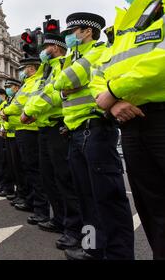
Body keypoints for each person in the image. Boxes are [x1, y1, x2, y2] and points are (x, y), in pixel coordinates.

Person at [92, 0, 165, 260]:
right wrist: (113, 103)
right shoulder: (123, 26)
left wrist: (114, 91)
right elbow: (101, 72)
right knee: (152, 209)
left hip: (161, 116)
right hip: (130, 123)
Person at [54, 13, 134, 260]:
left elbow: (64, 81)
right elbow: (59, 87)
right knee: (86, 197)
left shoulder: (98, 51)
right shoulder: (75, 59)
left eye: (72, 32)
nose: (68, 37)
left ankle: (117, 256)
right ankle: (93, 248)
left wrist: (70, 84)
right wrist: (68, 84)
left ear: (87, 32)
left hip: (96, 129)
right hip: (77, 132)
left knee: (107, 198)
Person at [22, 33, 82, 250]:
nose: (42, 51)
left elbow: (53, 94)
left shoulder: (65, 64)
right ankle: (60, 220)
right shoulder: (48, 70)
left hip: (58, 126)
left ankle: (73, 227)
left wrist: (29, 110)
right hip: (44, 127)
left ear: (55, 48)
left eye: (46, 46)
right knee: (49, 178)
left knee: (64, 179)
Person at [6, 58, 50, 226]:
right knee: (26, 169)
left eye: (23, 68)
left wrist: (6, 111)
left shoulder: (36, 81)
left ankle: (39, 208)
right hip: (23, 130)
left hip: (31, 130)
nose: (21, 71)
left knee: (34, 171)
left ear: (31, 68)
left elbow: (20, 105)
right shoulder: (28, 82)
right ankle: (32, 202)